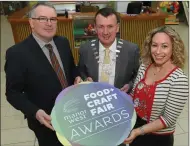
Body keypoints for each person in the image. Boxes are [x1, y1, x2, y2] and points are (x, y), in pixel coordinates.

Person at [4, 2, 82, 146]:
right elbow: (12, 93)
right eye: (42, 19)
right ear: (31, 23)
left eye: (52, 19)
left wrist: (77, 77)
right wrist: (35, 112)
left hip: (72, 113)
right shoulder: (17, 54)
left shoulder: (63, 42)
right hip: (46, 122)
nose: (49, 23)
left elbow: (71, 69)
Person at [124, 26, 189, 146]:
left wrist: (139, 131)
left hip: (158, 138)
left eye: (164, 46)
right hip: (135, 127)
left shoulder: (179, 80)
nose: (158, 52)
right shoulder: (144, 66)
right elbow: (134, 96)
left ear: (173, 48)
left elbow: (168, 120)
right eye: (154, 45)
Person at [78, 7, 140, 95]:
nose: (105, 32)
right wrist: (84, 80)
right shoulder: (85, 49)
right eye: (101, 27)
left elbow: (139, 77)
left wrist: (130, 85)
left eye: (110, 26)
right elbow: (81, 73)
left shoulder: (131, 50)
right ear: (95, 28)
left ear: (117, 27)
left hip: (120, 101)